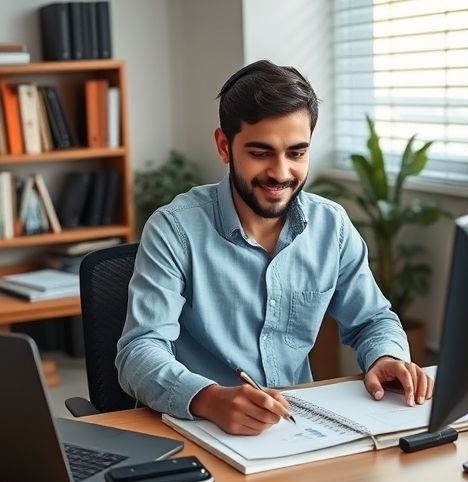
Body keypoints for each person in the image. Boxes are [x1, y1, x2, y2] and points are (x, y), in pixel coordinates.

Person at [117, 60, 432, 436]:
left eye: (297, 153)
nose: (281, 173)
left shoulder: (331, 226)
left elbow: (373, 320)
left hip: (298, 429)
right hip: (201, 430)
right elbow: (139, 351)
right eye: (261, 152)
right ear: (224, 146)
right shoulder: (174, 229)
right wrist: (208, 398)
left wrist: (386, 356)